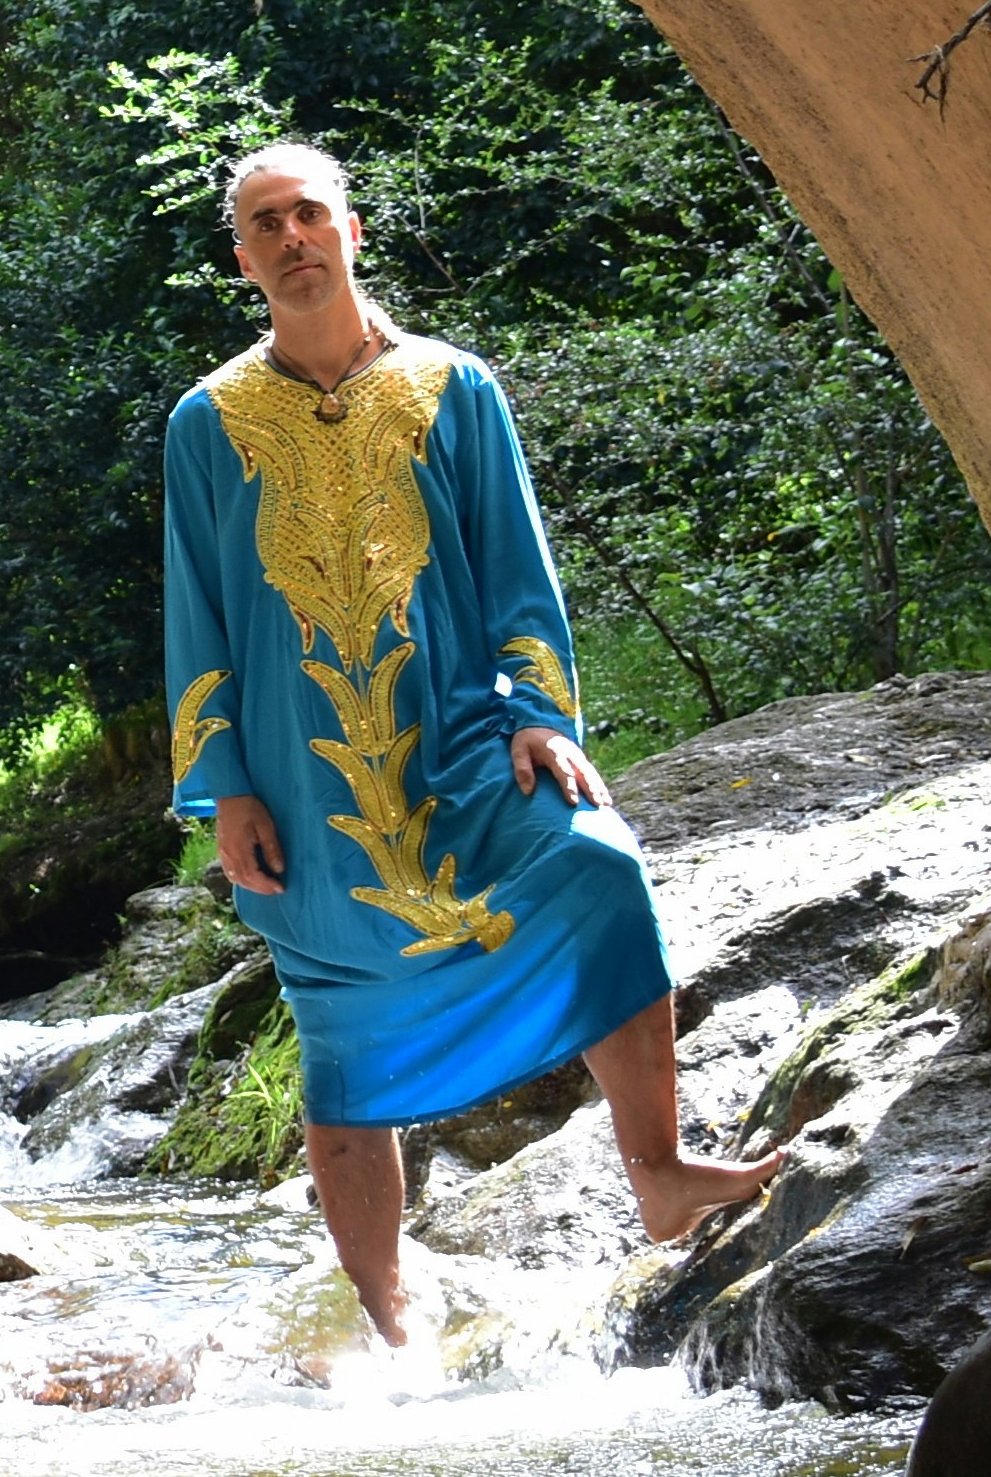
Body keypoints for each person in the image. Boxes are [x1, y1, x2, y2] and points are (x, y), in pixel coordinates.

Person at [165, 140, 785, 1344]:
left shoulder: (454, 387)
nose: (290, 237)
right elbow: (194, 614)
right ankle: (384, 1320)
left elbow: (516, 572)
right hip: (298, 779)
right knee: (339, 1034)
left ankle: (658, 1172)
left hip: (459, 737)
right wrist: (224, 784)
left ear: (349, 230)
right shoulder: (207, 420)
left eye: (307, 213)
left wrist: (540, 714)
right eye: (264, 223)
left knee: (598, 868)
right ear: (241, 259)